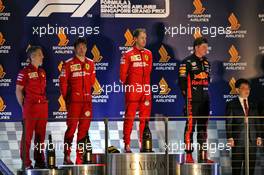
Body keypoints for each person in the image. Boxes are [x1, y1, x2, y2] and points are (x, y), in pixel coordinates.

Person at [59, 37, 96, 164]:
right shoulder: (68, 63)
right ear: (75, 48)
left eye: (84, 47)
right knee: (71, 129)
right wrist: (67, 99)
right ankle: (67, 156)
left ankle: (79, 157)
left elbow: (92, 82)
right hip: (74, 103)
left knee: (83, 130)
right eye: (79, 47)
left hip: (87, 103)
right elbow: (63, 83)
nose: (82, 49)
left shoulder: (91, 63)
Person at [178, 37, 213, 163]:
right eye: (204, 47)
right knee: (190, 128)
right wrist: (188, 99)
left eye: (207, 47)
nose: (206, 50)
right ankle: (188, 155)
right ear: (196, 47)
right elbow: (182, 84)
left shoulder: (207, 63)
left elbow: (207, 81)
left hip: (205, 101)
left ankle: (203, 156)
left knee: (203, 129)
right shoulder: (186, 62)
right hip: (192, 101)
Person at [120, 28, 153, 153]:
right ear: (135, 39)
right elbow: (122, 76)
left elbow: (149, 71)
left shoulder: (149, 54)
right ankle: (127, 144)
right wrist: (132, 84)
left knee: (145, 119)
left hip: (146, 90)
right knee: (130, 117)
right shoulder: (127, 55)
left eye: (145, 38)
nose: (144, 40)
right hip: (133, 90)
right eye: (142, 38)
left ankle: (143, 144)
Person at [16, 46, 48, 169]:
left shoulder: (42, 72)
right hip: (31, 107)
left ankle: (40, 161)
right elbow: (18, 90)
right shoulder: (24, 72)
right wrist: (24, 106)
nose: (43, 56)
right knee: (27, 137)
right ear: (32, 56)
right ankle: (26, 163)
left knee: (40, 136)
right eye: (40, 54)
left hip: (42, 107)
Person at [226, 78, 262, 175]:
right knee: (237, 167)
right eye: (244, 88)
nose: (247, 90)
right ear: (237, 90)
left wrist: (259, 136)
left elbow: (257, 121)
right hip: (238, 140)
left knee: (250, 167)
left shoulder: (253, 104)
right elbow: (229, 122)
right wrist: (229, 137)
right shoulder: (231, 104)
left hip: (252, 140)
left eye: (248, 88)